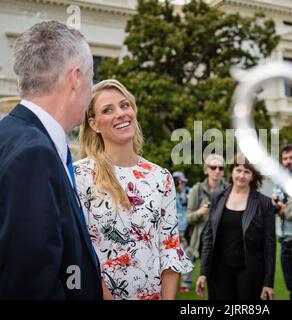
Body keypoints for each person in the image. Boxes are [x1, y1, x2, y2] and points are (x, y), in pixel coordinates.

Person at [0, 21, 103, 299]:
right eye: (92, 76)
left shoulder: (11, 135)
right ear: (76, 79)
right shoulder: (35, 155)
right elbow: (30, 284)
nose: (91, 89)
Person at [74, 79, 193, 300]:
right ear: (94, 124)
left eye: (124, 105)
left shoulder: (161, 177)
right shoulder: (79, 176)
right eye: (108, 110)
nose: (120, 113)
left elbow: (169, 249)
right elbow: (79, 252)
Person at [196, 154, 276, 300]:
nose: (241, 175)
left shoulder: (264, 203)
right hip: (219, 271)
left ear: (253, 176)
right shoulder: (217, 198)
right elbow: (209, 237)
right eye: (238, 170)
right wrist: (203, 272)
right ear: (232, 171)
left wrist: (268, 282)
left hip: (250, 272)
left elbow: (270, 245)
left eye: (247, 172)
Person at [185, 154, 228, 286]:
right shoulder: (197, 189)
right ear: (206, 169)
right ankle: (187, 282)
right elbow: (188, 218)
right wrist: (200, 212)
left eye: (221, 168)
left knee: (218, 280)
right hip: (200, 239)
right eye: (213, 167)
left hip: (222, 239)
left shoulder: (229, 189)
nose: (217, 171)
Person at [272, 144, 292, 300]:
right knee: (291, 286)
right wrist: (278, 206)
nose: (288, 161)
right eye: (285, 158)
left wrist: (282, 208)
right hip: (284, 238)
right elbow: (276, 205)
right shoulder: (279, 180)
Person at [172, 171, 192, 293]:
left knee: (186, 256)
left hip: (186, 228)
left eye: (184, 182)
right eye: (181, 182)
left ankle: (186, 283)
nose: (183, 184)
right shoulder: (169, 192)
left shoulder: (188, 192)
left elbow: (190, 202)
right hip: (173, 230)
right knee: (174, 258)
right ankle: (174, 283)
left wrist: (182, 191)